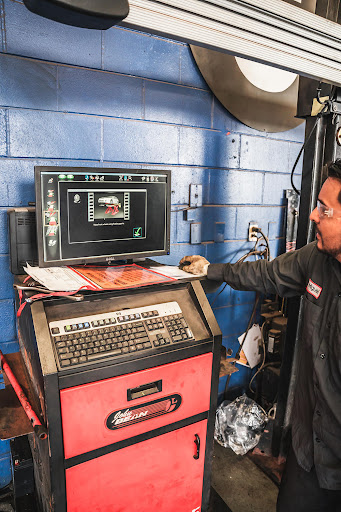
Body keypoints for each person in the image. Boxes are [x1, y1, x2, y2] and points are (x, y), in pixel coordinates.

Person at [179, 159, 341, 512]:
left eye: (325, 210)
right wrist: (213, 270)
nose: (313, 216)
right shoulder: (316, 259)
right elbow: (267, 274)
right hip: (307, 448)